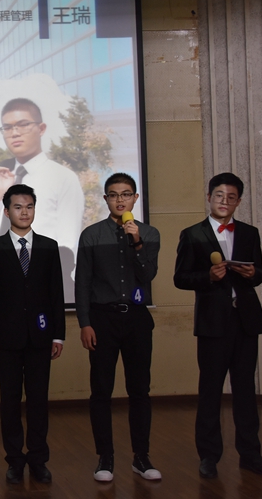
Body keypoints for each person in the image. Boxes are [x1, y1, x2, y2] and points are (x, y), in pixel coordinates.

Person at [174, 172, 262, 479]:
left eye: (231, 197)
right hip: (212, 324)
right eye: (219, 195)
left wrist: (253, 274)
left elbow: (260, 272)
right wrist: (208, 276)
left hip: (245, 321)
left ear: (238, 202)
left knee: (246, 390)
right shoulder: (192, 234)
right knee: (210, 391)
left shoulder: (249, 233)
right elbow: (180, 278)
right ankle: (209, 456)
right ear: (209, 197)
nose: (225, 201)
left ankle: (251, 455)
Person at [75, 173, 162, 482]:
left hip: (137, 318)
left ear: (135, 198)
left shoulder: (149, 233)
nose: (120, 200)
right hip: (102, 318)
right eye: (113, 195)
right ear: (106, 199)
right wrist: (85, 323)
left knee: (140, 390)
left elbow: (147, 275)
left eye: (126, 194)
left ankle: (141, 457)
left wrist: (136, 241)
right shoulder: (91, 235)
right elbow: (82, 283)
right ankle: (105, 458)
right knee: (101, 390)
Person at [0, 184, 65, 485]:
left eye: (29, 206)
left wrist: (58, 335)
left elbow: (56, 293)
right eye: (18, 207)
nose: (24, 212)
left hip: (41, 337)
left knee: (39, 401)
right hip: (7, 338)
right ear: (7, 212)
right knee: (10, 401)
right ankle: (15, 460)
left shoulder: (48, 246)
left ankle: (39, 459)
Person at [0, 97, 84, 257]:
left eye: (23, 125)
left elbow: (67, 244)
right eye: (7, 128)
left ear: (41, 129)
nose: (15, 133)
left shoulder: (63, 178)